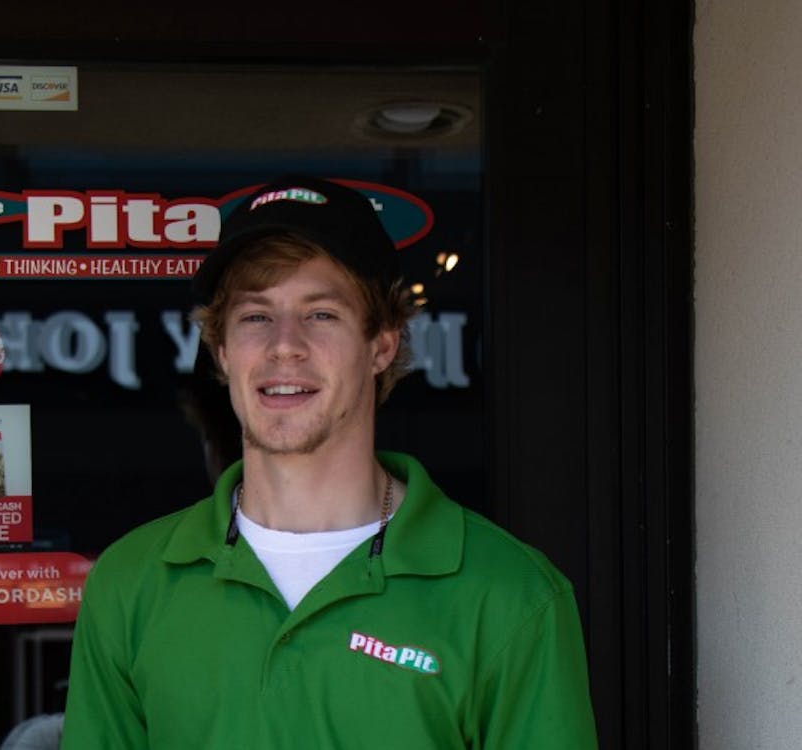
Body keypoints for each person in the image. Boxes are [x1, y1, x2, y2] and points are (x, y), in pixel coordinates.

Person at [61, 175, 598, 748]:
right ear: (222, 350)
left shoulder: (512, 593)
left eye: (321, 315)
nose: (284, 345)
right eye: (255, 316)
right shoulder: (130, 583)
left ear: (382, 344)